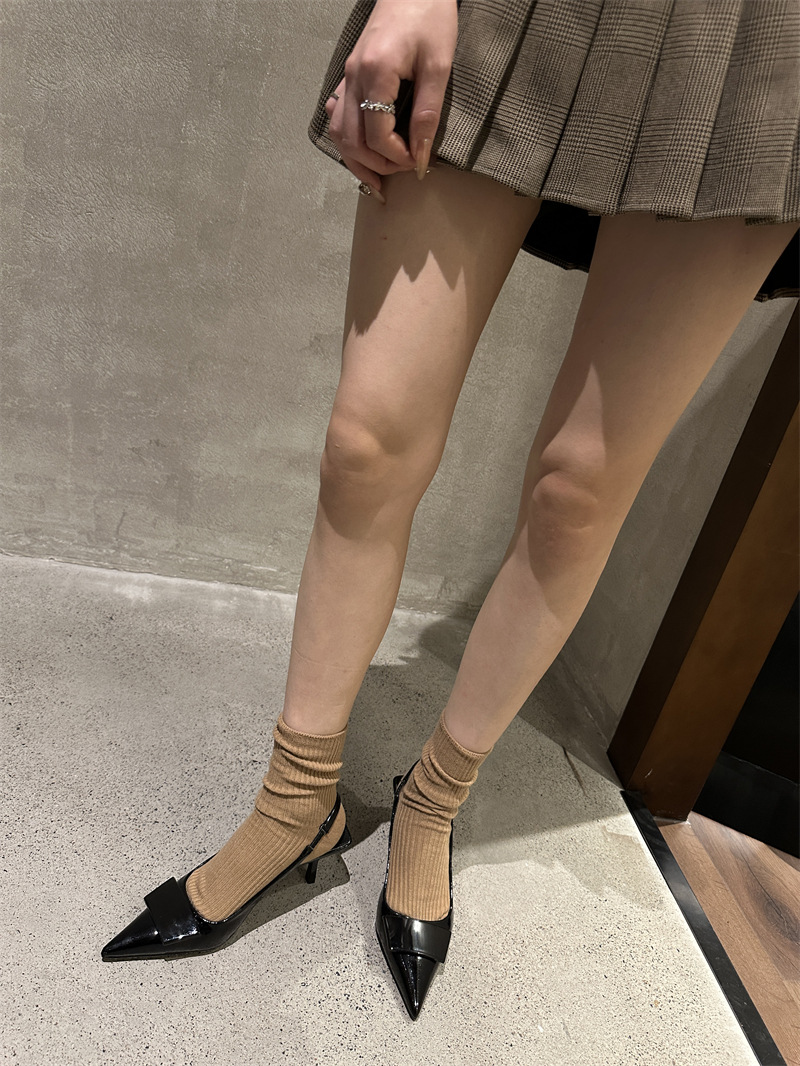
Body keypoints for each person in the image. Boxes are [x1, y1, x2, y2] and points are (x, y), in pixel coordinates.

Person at [102, 0, 800, 1021]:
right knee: (366, 446)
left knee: (577, 493)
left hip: (753, 45)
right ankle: (294, 804)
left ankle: (431, 804)